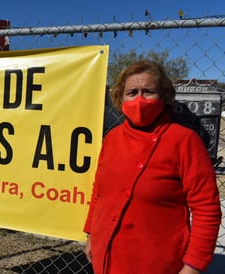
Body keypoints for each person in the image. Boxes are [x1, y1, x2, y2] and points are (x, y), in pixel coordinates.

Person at [83, 60, 222, 274]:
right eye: (132, 92)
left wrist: (193, 266)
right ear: (120, 98)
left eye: (148, 91)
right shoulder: (112, 138)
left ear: (164, 97)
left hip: (157, 264)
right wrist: (91, 234)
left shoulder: (184, 141)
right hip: (107, 259)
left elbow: (207, 209)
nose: (140, 100)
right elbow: (99, 193)